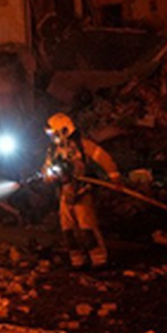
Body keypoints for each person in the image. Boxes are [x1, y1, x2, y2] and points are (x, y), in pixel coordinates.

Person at [41, 112, 122, 269]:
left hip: (82, 189)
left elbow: (103, 157)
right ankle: (77, 261)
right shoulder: (53, 150)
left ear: (64, 130)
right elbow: (46, 168)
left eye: (53, 133)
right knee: (68, 229)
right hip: (65, 192)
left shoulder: (82, 145)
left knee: (87, 227)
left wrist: (115, 177)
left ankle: (99, 260)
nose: (52, 137)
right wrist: (48, 176)